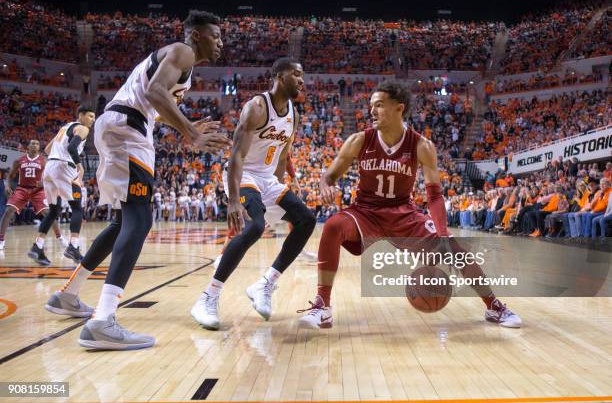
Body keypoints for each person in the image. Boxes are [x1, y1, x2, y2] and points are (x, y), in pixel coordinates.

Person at [44, 10, 231, 351]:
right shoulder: (182, 51)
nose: (221, 42)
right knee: (140, 220)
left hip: (123, 127)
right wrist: (190, 133)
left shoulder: (179, 62)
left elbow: (154, 103)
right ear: (197, 35)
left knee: (122, 222)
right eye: (216, 36)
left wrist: (186, 127)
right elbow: (158, 92)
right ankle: (102, 320)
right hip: (126, 130)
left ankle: (68, 295)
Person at [297, 81, 521, 329]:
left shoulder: (421, 146)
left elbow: (434, 196)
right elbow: (328, 176)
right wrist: (326, 186)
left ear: (398, 108)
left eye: (379, 105)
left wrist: (443, 233)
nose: (372, 111)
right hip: (366, 211)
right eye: (371, 105)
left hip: (402, 213)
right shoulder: (359, 140)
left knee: (455, 249)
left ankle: (493, 306)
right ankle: (322, 306)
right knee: (332, 226)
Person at [191, 57, 315, 330]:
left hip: (268, 179)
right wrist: (234, 201)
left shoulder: (293, 114)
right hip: (244, 174)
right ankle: (207, 297)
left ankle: (265, 285)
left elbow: (283, 156)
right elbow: (236, 155)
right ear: (280, 76)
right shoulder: (257, 107)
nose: (302, 80)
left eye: (302, 75)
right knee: (254, 226)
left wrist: (282, 190)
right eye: (296, 74)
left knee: (306, 219)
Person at [27, 108, 94, 266]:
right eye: (90, 116)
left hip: (50, 168)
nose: (93, 120)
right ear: (81, 115)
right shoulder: (83, 128)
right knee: (77, 208)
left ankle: (38, 246)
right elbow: (71, 148)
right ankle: (73, 246)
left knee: (54, 210)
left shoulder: (65, 127)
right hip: (64, 167)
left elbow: (47, 149)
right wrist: (80, 167)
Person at [0, 140, 67, 252]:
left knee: (48, 213)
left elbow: (51, 176)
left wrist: (44, 182)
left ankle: (60, 237)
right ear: (28, 146)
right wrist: (7, 186)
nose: (35, 145)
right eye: (32, 143)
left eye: (37, 144)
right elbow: (10, 175)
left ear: (39, 147)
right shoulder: (19, 160)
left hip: (38, 191)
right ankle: (1, 240)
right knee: (8, 211)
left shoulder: (44, 161)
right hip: (22, 189)